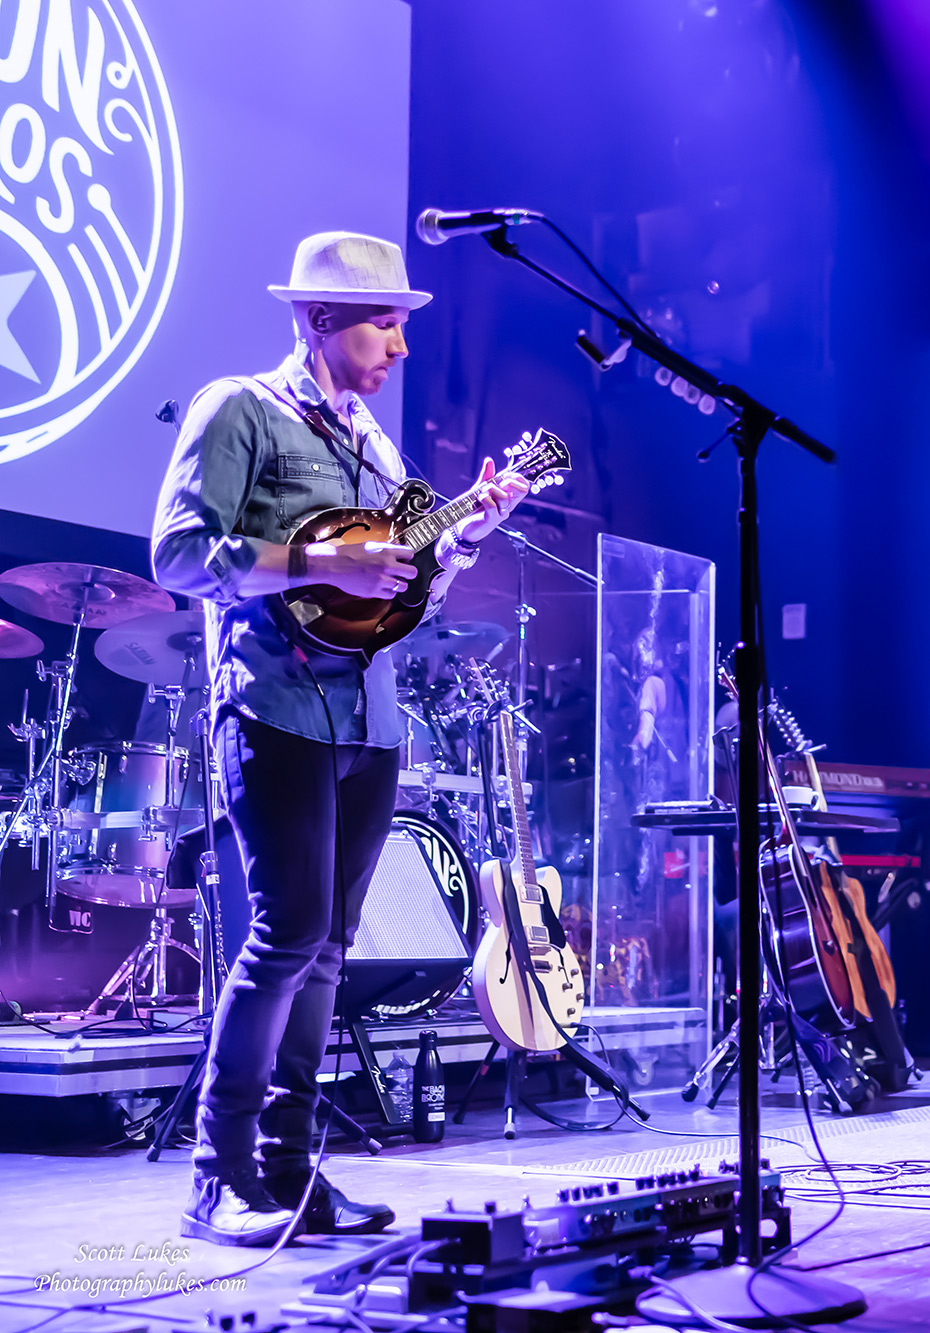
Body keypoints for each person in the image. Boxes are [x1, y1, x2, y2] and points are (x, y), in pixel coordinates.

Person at [153, 232, 529, 1245]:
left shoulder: (378, 448)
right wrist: (310, 563)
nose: (402, 346)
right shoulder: (241, 409)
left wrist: (463, 537)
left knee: (326, 951)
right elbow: (178, 552)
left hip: (370, 716)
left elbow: (403, 591)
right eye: (386, 323)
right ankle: (216, 1170)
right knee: (284, 939)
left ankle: (290, 1169)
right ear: (323, 321)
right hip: (273, 706)